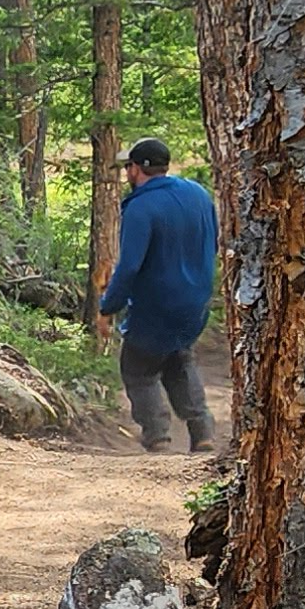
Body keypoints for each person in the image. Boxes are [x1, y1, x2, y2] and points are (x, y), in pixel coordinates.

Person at [98, 137, 220, 453]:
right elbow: (214, 242)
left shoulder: (140, 207)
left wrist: (108, 307)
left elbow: (129, 268)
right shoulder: (198, 194)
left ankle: (158, 436)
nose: (126, 172)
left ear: (137, 169)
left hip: (155, 305)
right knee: (179, 358)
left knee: (139, 368)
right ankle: (202, 430)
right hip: (195, 303)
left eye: (128, 166)